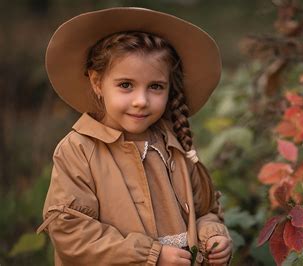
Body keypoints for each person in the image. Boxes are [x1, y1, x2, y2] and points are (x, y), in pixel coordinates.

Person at [37, 7, 232, 266]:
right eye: (126, 85)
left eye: (155, 87)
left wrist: (212, 236)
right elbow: (70, 231)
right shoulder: (78, 150)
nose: (141, 101)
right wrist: (151, 255)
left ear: (169, 87)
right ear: (97, 82)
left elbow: (204, 210)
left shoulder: (173, 144)